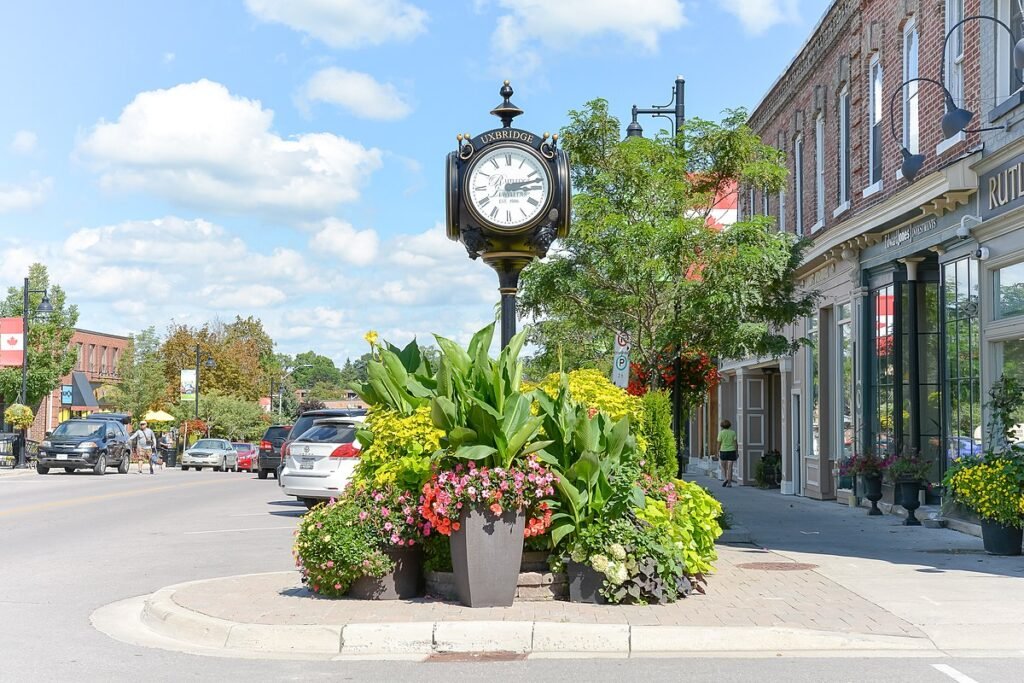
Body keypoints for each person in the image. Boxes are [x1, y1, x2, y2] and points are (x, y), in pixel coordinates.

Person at [717, 419, 738, 487]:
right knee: (730, 467)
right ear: (729, 425)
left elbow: (719, 443)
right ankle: (729, 483)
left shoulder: (721, 433)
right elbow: (735, 443)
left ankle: (725, 478)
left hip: (723, 451)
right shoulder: (733, 432)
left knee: (723, 467)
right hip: (731, 451)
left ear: (722, 426)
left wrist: (717, 451)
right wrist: (736, 451)